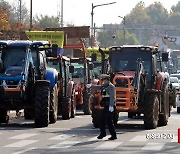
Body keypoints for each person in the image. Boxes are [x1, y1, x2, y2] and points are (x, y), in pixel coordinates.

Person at [87, 74, 117, 140]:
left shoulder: (110, 86)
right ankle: (105, 134)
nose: (102, 81)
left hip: (109, 105)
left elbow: (112, 97)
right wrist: (91, 86)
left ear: (106, 80)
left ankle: (109, 134)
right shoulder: (105, 86)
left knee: (107, 120)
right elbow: (99, 87)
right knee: (105, 120)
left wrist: (111, 106)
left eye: (103, 80)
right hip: (106, 106)